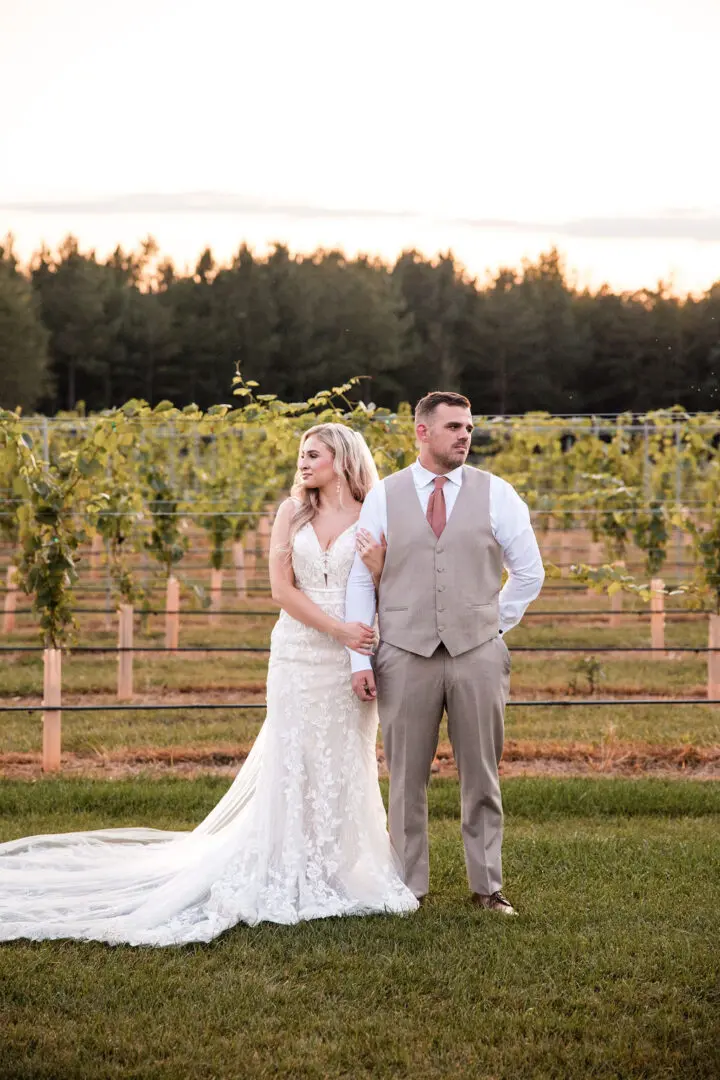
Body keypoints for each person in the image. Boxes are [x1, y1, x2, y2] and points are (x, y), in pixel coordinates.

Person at [0, 424, 418, 947]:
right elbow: (280, 589)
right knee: (294, 756)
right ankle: (286, 863)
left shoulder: (374, 512)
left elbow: (388, 586)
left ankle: (341, 869)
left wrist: (370, 593)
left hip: (354, 653)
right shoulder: (292, 513)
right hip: (298, 649)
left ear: (343, 457)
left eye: (314, 454)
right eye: (301, 455)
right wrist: (334, 629)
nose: (303, 463)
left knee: (344, 757)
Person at [346, 392, 545, 915]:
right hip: (404, 652)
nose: (465, 436)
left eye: (470, 427)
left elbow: (530, 572)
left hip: (477, 653)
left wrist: (490, 624)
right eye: (454, 426)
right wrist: (360, 659)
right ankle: (405, 890)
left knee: (481, 774)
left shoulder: (497, 493)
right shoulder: (384, 497)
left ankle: (487, 888)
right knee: (405, 777)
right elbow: (360, 581)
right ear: (421, 432)